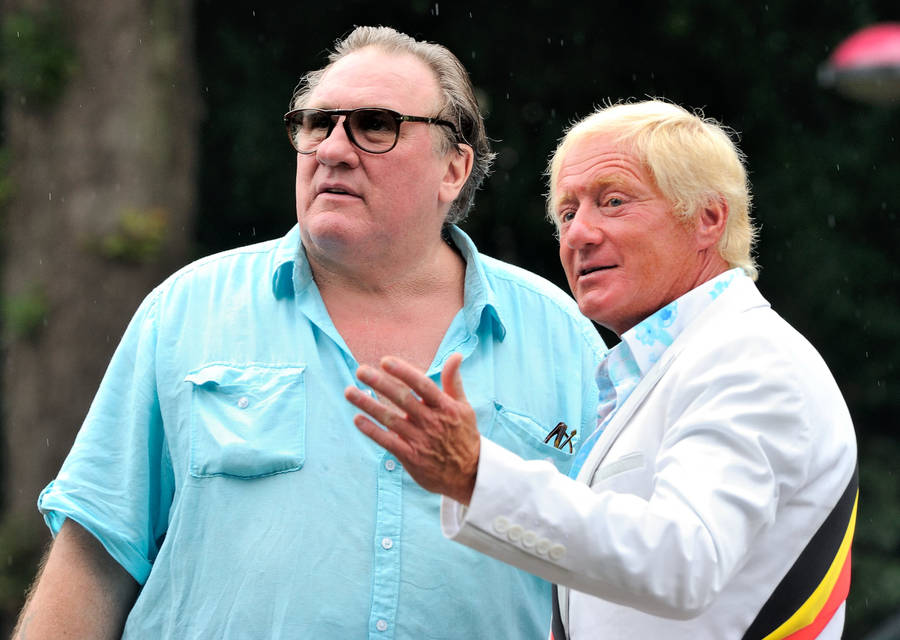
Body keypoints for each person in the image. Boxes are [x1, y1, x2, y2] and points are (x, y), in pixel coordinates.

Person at [14, 26, 605, 639]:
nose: (333, 149)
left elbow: (615, 581)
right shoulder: (188, 312)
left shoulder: (563, 342)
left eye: (375, 124)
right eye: (317, 124)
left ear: (453, 168)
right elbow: (93, 559)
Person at [346, 99, 859, 639]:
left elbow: (683, 561)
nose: (578, 235)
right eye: (567, 213)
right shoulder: (678, 361)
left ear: (709, 218)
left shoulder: (749, 356)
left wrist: (476, 475)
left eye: (612, 202)